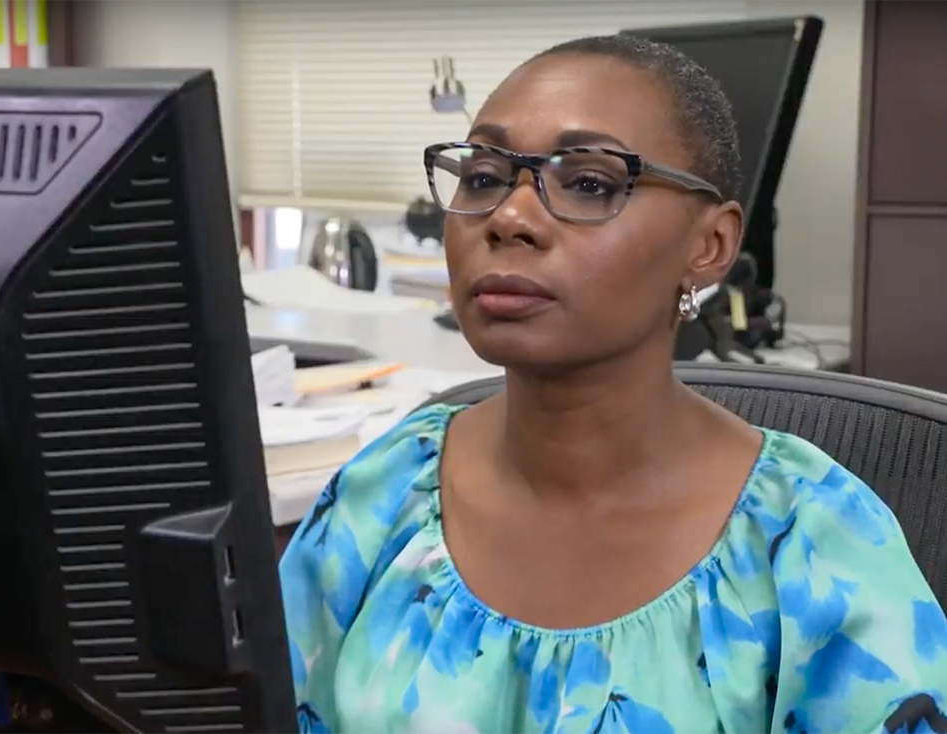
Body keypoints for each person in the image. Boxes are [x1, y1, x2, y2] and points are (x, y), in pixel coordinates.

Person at [278, 34, 947, 733]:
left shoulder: (812, 542)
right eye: (482, 177)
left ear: (710, 245)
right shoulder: (382, 494)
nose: (508, 217)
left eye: (590, 183)